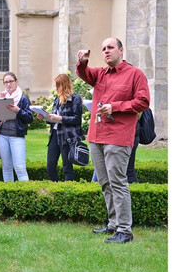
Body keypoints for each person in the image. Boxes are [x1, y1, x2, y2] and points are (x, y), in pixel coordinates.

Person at [77, 38, 149, 243]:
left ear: (120, 50)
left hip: (118, 137)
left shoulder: (135, 74)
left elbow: (143, 101)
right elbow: (85, 74)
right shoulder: (100, 73)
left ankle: (125, 230)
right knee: (105, 183)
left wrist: (115, 107)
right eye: (103, 49)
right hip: (96, 136)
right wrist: (82, 62)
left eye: (110, 48)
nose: (106, 51)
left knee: (118, 182)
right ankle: (113, 224)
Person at [45, 74, 84, 182]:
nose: (56, 88)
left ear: (63, 85)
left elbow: (76, 119)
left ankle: (67, 190)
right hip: (55, 135)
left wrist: (60, 118)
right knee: (50, 166)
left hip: (67, 136)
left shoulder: (75, 98)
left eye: (57, 85)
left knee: (67, 167)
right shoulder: (57, 99)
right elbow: (54, 119)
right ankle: (57, 187)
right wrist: (45, 117)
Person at [0, 72, 34, 182]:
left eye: (10, 81)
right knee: (6, 168)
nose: (8, 84)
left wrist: (18, 110)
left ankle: (26, 192)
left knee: (20, 168)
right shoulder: (3, 97)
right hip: (2, 135)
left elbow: (30, 118)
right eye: (6, 82)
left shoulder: (23, 98)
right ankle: (9, 192)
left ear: (16, 82)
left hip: (17, 135)